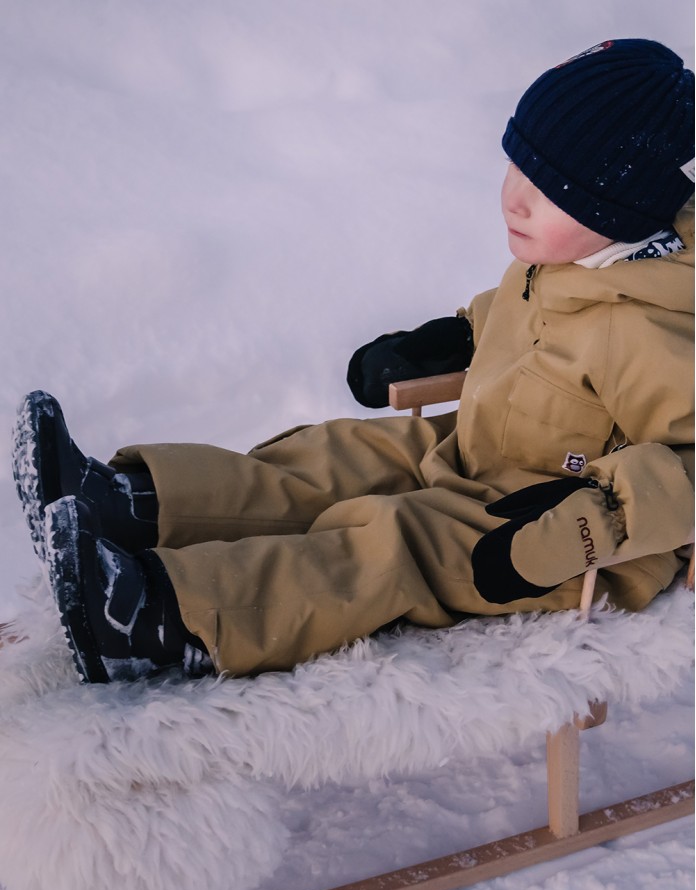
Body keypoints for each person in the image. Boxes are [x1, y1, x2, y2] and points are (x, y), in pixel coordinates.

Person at [12, 38, 694, 684]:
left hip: (557, 545)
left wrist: (585, 522)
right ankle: (128, 502)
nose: (513, 195)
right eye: (514, 165)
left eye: (549, 190)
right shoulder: (575, 256)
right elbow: (523, 320)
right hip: (479, 454)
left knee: (392, 543)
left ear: (621, 205)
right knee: (338, 455)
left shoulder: (649, 327)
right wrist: (448, 341)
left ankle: (158, 618)